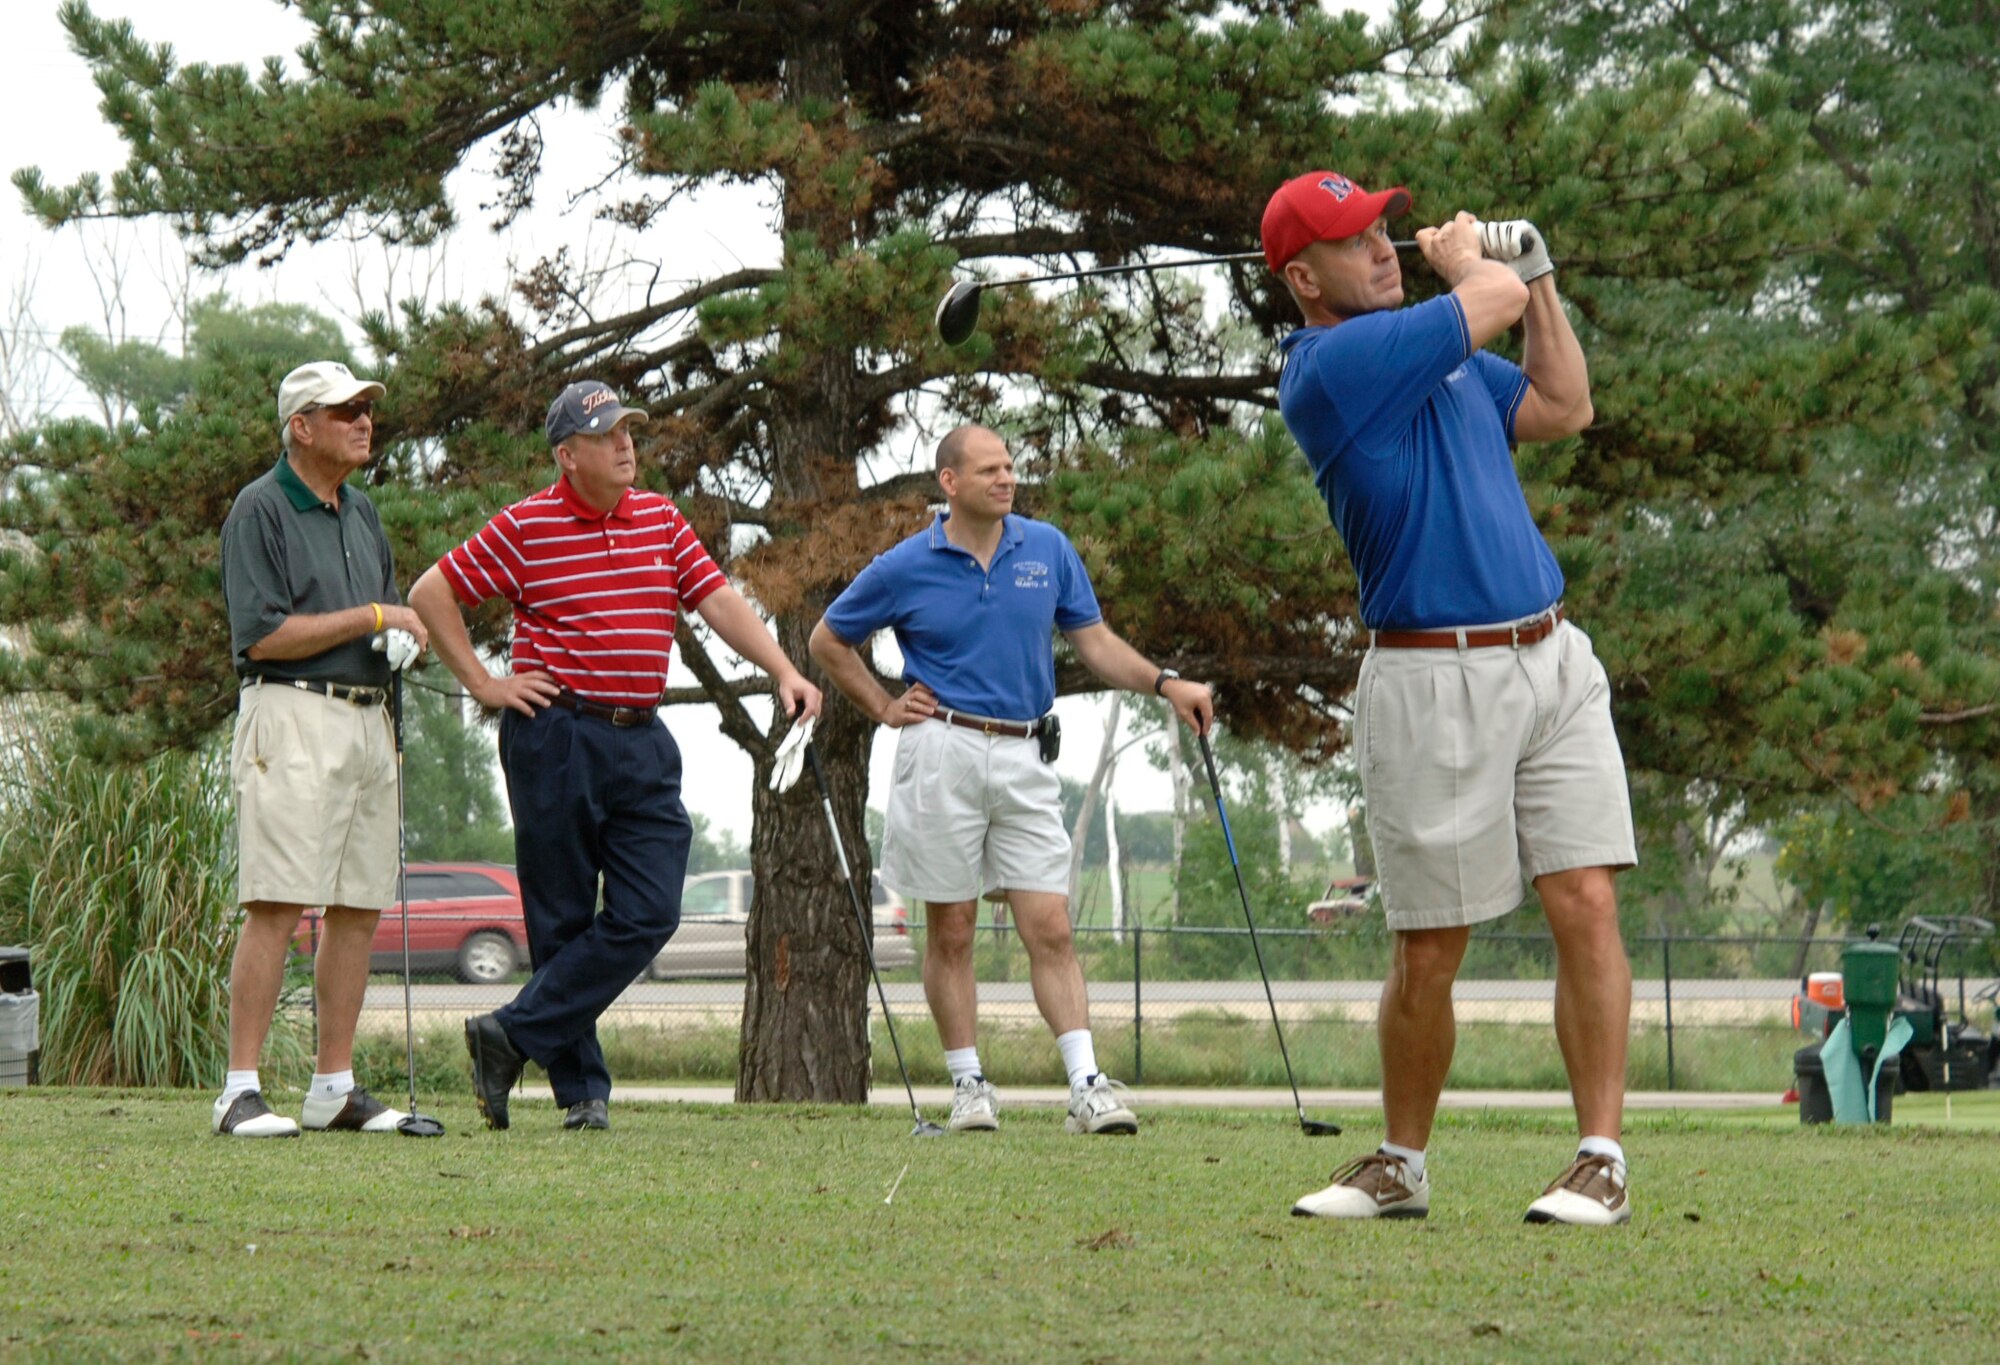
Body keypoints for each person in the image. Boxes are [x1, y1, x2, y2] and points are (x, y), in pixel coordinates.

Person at [1263, 172, 1638, 1225]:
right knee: (1429, 945)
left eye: (1384, 232)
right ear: (1303, 278)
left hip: (1549, 656)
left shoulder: (1449, 365)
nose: (1381, 249)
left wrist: (1539, 272)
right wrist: (1477, 261)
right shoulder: (1331, 369)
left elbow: (1565, 405)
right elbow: (1484, 303)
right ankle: (1399, 1163)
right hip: (1429, 676)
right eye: (1353, 243)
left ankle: (1599, 1159)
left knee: (1586, 900)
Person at [409, 380, 820, 1132]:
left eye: (628, 429)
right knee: (562, 915)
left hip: (642, 735)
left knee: (650, 908)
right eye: (605, 435)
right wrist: (484, 682)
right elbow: (433, 590)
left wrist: (784, 670)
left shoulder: (659, 517)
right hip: (555, 731)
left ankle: (509, 1033)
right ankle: (582, 1092)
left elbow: (718, 599)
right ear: (568, 455)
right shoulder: (527, 525)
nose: (625, 443)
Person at [809, 425, 1214, 1136]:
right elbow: (827, 639)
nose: (1007, 479)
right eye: (990, 469)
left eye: (1009, 467)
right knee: (953, 928)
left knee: (1050, 923)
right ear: (950, 482)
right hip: (942, 750)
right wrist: (881, 704)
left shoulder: (1047, 549)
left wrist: (1164, 681)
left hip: (1027, 751)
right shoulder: (906, 564)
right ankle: (969, 1085)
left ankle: (1086, 1084)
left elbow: (1094, 642)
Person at [216, 360, 429, 1137]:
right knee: (275, 899)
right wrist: (374, 615)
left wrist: (400, 636)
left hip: (367, 718)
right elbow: (263, 633)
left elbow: (379, 618)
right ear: (300, 426)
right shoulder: (259, 509)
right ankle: (239, 1088)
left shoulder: (362, 512)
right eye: (343, 411)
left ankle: (331, 1085)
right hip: (291, 714)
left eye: (366, 408)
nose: (363, 420)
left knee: (358, 905)